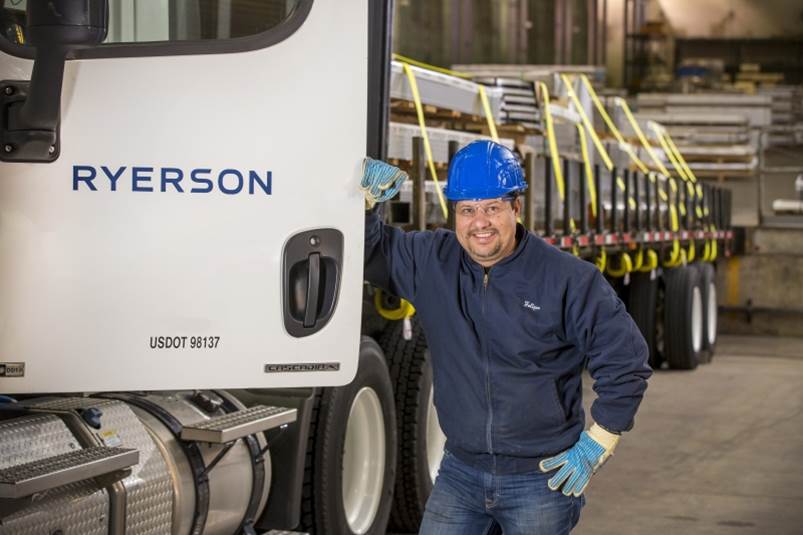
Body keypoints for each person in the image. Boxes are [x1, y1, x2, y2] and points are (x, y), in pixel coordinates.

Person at [362, 140, 652, 535]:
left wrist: (599, 440)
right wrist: (362, 205)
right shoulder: (432, 261)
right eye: (467, 210)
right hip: (459, 473)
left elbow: (626, 359)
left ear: (516, 208)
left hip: (541, 479)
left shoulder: (567, 279)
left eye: (492, 208)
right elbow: (370, 250)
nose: (479, 222)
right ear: (454, 214)